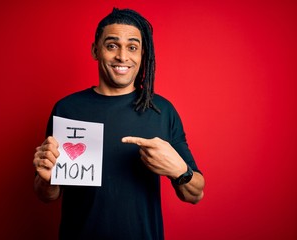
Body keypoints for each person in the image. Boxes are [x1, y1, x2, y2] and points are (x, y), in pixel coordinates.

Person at [33, 8, 205, 240]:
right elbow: (48, 195)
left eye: (132, 47)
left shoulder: (161, 111)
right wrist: (46, 178)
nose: (122, 56)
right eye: (112, 45)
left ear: (142, 54)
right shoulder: (67, 109)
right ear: (96, 50)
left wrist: (179, 171)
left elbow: (194, 194)